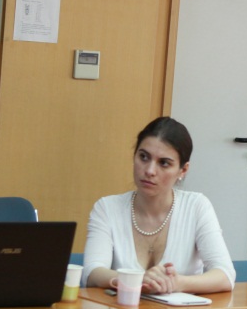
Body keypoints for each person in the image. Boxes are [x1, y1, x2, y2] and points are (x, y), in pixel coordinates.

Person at [83, 117, 234, 294]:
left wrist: (177, 283)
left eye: (164, 163)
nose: (149, 171)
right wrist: (137, 280)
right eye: (143, 157)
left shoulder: (197, 206)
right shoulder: (107, 208)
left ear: (183, 170)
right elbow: (92, 273)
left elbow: (225, 275)